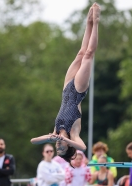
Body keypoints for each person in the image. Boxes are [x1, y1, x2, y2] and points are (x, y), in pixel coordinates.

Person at [31, 3, 101, 165]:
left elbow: (33, 140)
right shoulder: (74, 133)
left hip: (66, 88)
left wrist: (51, 136)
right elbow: (82, 147)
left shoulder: (56, 132)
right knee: (89, 55)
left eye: (57, 147)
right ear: (68, 146)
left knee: (81, 53)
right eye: (61, 147)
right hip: (77, 91)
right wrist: (68, 141)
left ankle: (88, 22)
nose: (58, 145)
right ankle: (96, 22)